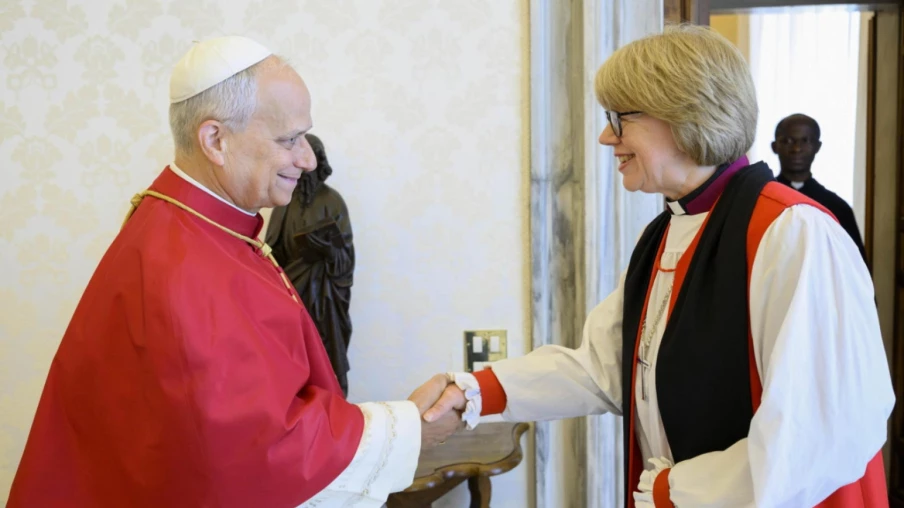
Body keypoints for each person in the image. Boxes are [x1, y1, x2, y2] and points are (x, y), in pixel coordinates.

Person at [422, 25, 894, 508]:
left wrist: (674, 491)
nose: (607, 137)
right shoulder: (667, 231)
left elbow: (825, 427)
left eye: (620, 118)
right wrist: (472, 391)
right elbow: (606, 366)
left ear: (686, 117)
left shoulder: (793, 232)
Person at [8, 36, 461, 508]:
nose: (307, 159)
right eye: (289, 139)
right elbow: (259, 455)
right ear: (215, 140)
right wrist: (412, 428)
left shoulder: (199, 227)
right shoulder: (181, 264)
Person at [266, 133, 355, 397]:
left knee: (329, 356)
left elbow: (346, 258)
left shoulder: (332, 201)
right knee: (292, 358)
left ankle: (335, 406)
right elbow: (270, 253)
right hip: (292, 292)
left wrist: (328, 251)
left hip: (326, 299)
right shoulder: (284, 202)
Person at [773, 113, 868, 263]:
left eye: (805, 141)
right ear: (774, 146)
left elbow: (855, 266)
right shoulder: (761, 201)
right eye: (788, 141)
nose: (796, 148)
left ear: (817, 147)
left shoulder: (837, 208)